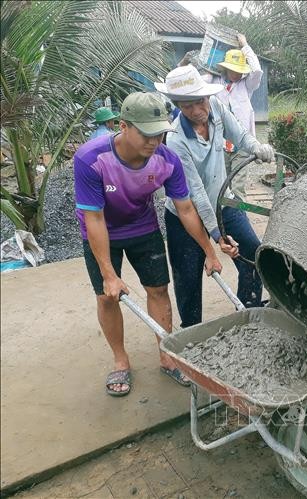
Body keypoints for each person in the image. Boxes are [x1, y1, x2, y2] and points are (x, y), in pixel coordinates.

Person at [74, 93, 223, 397]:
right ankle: (120, 359)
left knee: (158, 290)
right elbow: (95, 219)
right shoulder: (91, 158)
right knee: (107, 297)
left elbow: (186, 209)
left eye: (160, 133)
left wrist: (210, 252)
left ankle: (167, 355)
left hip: (143, 227)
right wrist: (109, 273)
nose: (154, 141)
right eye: (147, 133)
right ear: (123, 125)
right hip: (101, 231)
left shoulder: (167, 160)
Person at [155, 65, 274, 328]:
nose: (197, 110)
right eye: (187, 106)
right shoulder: (175, 142)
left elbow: (240, 134)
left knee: (252, 255)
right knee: (188, 277)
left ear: (206, 96)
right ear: (177, 105)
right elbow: (196, 195)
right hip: (185, 214)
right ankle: (193, 331)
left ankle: (248, 315)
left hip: (224, 201)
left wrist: (257, 147)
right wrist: (217, 239)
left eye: (199, 101)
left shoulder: (217, 108)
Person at [214, 33, 263, 199]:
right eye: (233, 70)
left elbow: (256, 70)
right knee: (221, 187)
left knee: (238, 189)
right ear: (226, 68)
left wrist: (245, 46)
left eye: (239, 71)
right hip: (220, 144)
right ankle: (223, 221)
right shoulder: (214, 82)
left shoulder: (246, 85)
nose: (236, 74)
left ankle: (238, 221)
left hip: (241, 145)